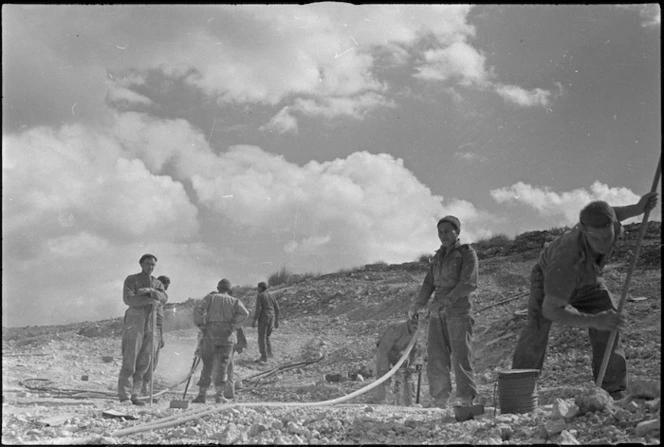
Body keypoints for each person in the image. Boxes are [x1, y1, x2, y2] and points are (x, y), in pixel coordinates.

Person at [512, 192, 658, 400]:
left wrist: (638, 208)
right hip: (549, 279)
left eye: (607, 237)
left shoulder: (610, 224)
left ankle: (613, 389)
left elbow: (613, 213)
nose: (603, 244)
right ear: (583, 231)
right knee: (537, 327)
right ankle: (518, 392)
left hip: (589, 279)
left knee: (610, 320)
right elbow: (551, 309)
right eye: (595, 239)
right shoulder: (566, 258)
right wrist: (594, 320)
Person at [408, 215, 479, 409]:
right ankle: (440, 400)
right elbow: (429, 283)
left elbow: (469, 283)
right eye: (440, 232)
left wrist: (446, 302)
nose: (443, 235)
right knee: (436, 357)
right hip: (436, 314)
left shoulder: (467, 253)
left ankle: (466, 400)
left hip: (458, 312)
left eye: (447, 231)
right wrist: (419, 304)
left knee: (461, 357)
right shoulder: (438, 257)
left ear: (457, 232)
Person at [118, 254, 168, 405]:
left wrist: (150, 291)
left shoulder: (157, 283)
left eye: (153, 265)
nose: (150, 267)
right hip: (135, 320)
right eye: (147, 264)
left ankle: (135, 394)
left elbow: (164, 298)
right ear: (141, 264)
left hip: (151, 321)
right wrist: (150, 299)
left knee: (145, 361)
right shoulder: (131, 279)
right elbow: (129, 299)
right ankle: (125, 396)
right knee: (130, 358)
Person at [193, 279, 249, 403]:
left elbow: (198, 308)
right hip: (227, 335)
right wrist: (234, 325)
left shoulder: (210, 298)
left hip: (211, 333)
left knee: (207, 364)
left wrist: (201, 324)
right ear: (229, 290)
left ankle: (201, 395)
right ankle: (219, 395)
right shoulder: (234, 301)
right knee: (223, 365)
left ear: (218, 288)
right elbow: (245, 313)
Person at [373, 315, 419, 406]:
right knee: (383, 375)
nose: (415, 330)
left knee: (408, 373)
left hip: (397, 351)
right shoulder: (396, 328)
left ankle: (409, 400)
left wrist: (412, 365)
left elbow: (413, 350)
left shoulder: (415, 331)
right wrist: (385, 368)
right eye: (414, 327)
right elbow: (384, 349)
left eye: (417, 328)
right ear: (409, 323)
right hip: (384, 350)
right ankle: (380, 401)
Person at [139, 275, 170, 398]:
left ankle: (145, 385)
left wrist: (161, 337)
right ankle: (141, 386)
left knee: (154, 360)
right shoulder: (150, 295)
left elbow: (160, 322)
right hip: (148, 329)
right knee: (146, 359)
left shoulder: (161, 298)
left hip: (157, 331)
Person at [252, 282, 280, 363]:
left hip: (264, 318)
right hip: (271, 317)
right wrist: (277, 321)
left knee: (261, 337)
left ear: (261, 288)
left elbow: (259, 309)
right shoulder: (272, 296)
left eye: (258, 287)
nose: (257, 289)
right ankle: (269, 354)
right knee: (267, 337)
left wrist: (254, 320)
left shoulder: (260, 296)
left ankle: (264, 357)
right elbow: (277, 309)